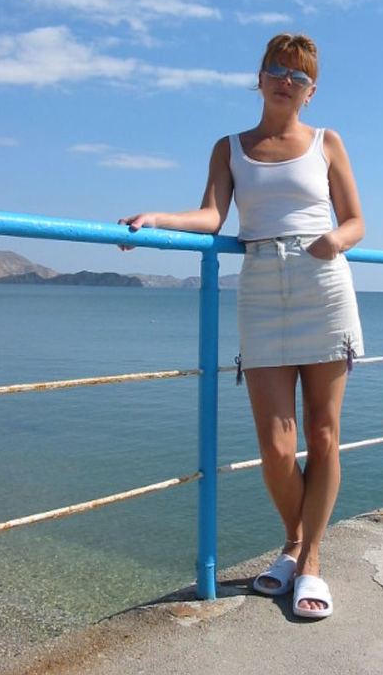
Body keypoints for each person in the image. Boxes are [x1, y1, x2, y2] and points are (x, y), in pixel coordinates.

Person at [118, 33, 364, 619]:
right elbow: (212, 216)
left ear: (311, 91)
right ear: (259, 77)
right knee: (276, 447)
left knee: (322, 435)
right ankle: (294, 541)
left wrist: (334, 240)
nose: (286, 81)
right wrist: (159, 219)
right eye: (277, 70)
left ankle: (309, 560)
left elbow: (357, 221)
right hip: (259, 290)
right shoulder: (230, 147)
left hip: (323, 284)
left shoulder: (327, 142)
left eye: (299, 76)